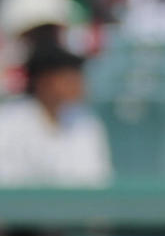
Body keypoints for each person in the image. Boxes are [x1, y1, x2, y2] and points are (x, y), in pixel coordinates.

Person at [0, 40, 111, 187]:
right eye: (68, 77)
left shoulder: (86, 122)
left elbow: (96, 179)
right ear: (43, 81)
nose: (77, 83)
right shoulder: (8, 121)